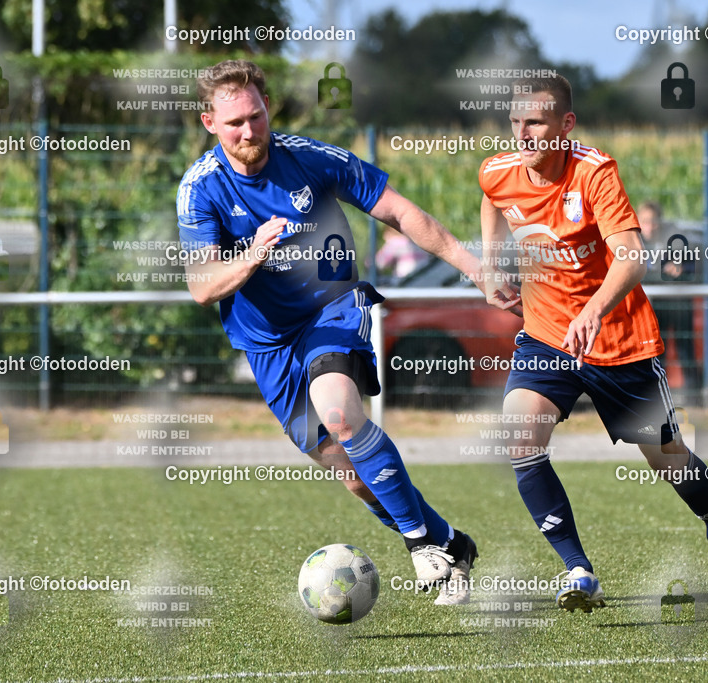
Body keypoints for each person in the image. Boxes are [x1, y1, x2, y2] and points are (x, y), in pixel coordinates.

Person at [177, 60, 507, 605]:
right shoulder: (200, 188)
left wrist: (475, 269)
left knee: (340, 412)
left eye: (256, 116)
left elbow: (399, 212)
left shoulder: (311, 158)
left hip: (331, 308)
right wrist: (253, 254)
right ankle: (452, 542)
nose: (249, 131)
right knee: (353, 477)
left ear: (267, 108)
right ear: (209, 122)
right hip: (267, 343)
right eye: (234, 122)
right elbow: (202, 285)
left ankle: (420, 543)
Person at [477, 74, 708, 612]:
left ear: (566, 124)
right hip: (547, 339)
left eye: (535, 122)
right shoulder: (498, 170)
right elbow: (492, 199)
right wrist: (490, 266)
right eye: (515, 122)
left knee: (669, 459)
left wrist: (593, 311)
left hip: (620, 342)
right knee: (520, 437)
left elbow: (632, 259)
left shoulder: (594, 172)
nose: (522, 134)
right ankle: (578, 570)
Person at [637, 200, 700, 394]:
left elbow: (693, 264)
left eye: (653, 221)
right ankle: (657, 394)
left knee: (685, 349)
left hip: (678, 304)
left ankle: (694, 394)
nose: (650, 226)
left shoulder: (674, 237)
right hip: (653, 307)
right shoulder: (634, 241)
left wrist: (680, 267)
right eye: (645, 221)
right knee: (656, 351)